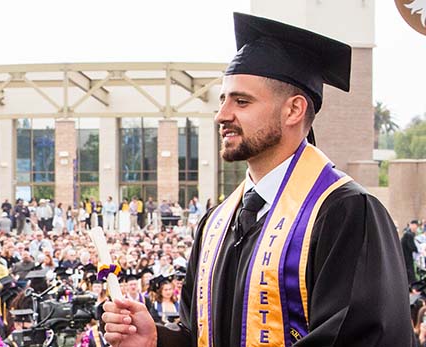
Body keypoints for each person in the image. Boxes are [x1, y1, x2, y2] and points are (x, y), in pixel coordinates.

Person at [102, 12, 413, 346]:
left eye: (242, 101)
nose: (222, 115)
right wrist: (157, 340)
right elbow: (202, 334)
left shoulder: (345, 212)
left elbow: (360, 338)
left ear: (293, 110)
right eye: (223, 100)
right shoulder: (216, 223)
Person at [404, 220, 422, 284]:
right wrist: (419, 250)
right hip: (407, 256)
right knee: (409, 269)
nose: (416, 228)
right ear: (413, 225)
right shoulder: (408, 234)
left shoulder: (408, 234)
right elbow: (411, 246)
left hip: (407, 255)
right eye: (416, 226)